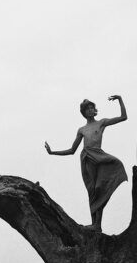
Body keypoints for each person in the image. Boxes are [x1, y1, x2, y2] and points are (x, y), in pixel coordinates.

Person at [45, 95, 128, 231]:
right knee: (92, 190)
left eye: (91, 108)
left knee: (99, 188)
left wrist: (120, 99)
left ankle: (97, 224)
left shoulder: (101, 123)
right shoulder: (82, 130)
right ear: (83, 113)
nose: (90, 110)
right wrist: (52, 152)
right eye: (87, 109)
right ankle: (95, 224)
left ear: (94, 110)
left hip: (99, 156)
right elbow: (72, 150)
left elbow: (123, 117)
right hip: (87, 158)